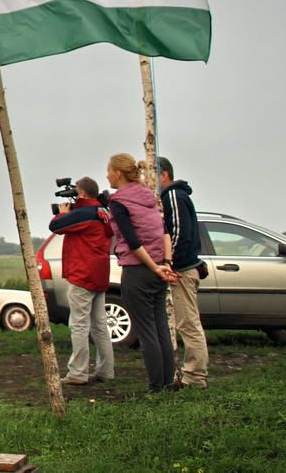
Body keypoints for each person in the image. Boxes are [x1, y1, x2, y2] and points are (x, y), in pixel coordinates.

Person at [107, 153, 178, 393]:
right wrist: (164, 264)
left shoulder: (118, 202)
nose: (107, 175)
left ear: (117, 173)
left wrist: (152, 266)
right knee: (161, 329)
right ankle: (168, 383)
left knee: (146, 332)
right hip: (159, 268)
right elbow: (165, 232)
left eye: (109, 170)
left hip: (139, 272)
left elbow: (132, 240)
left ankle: (156, 387)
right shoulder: (149, 196)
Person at [49, 177, 115, 386]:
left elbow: (56, 226)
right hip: (99, 273)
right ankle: (106, 370)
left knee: (78, 325)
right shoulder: (103, 212)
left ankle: (78, 372)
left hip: (82, 273)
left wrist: (63, 213)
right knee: (100, 326)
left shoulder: (84, 213)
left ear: (83, 194)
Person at [160, 157, 209, 390]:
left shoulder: (172, 196)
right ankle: (189, 374)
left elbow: (178, 232)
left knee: (188, 324)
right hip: (186, 267)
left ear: (164, 175)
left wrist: (170, 263)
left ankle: (195, 377)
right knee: (186, 323)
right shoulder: (178, 196)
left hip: (181, 270)